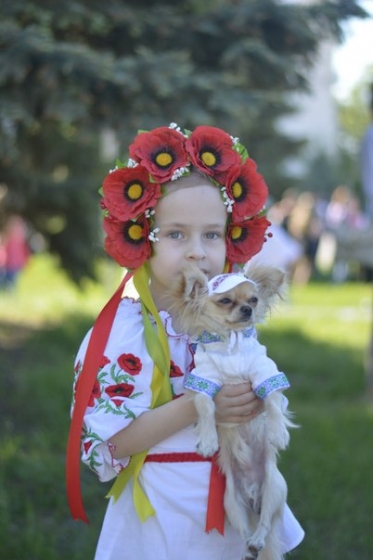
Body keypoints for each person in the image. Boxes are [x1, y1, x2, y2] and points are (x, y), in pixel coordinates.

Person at [66, 124, 304, 560]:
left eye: (211, 234)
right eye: (176, 234)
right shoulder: (124, 332)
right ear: (140, 239)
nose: (197, 251)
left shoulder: (232, 323)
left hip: (239, 509)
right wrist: (193, 404)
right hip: (165, 516)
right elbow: (105, 447)